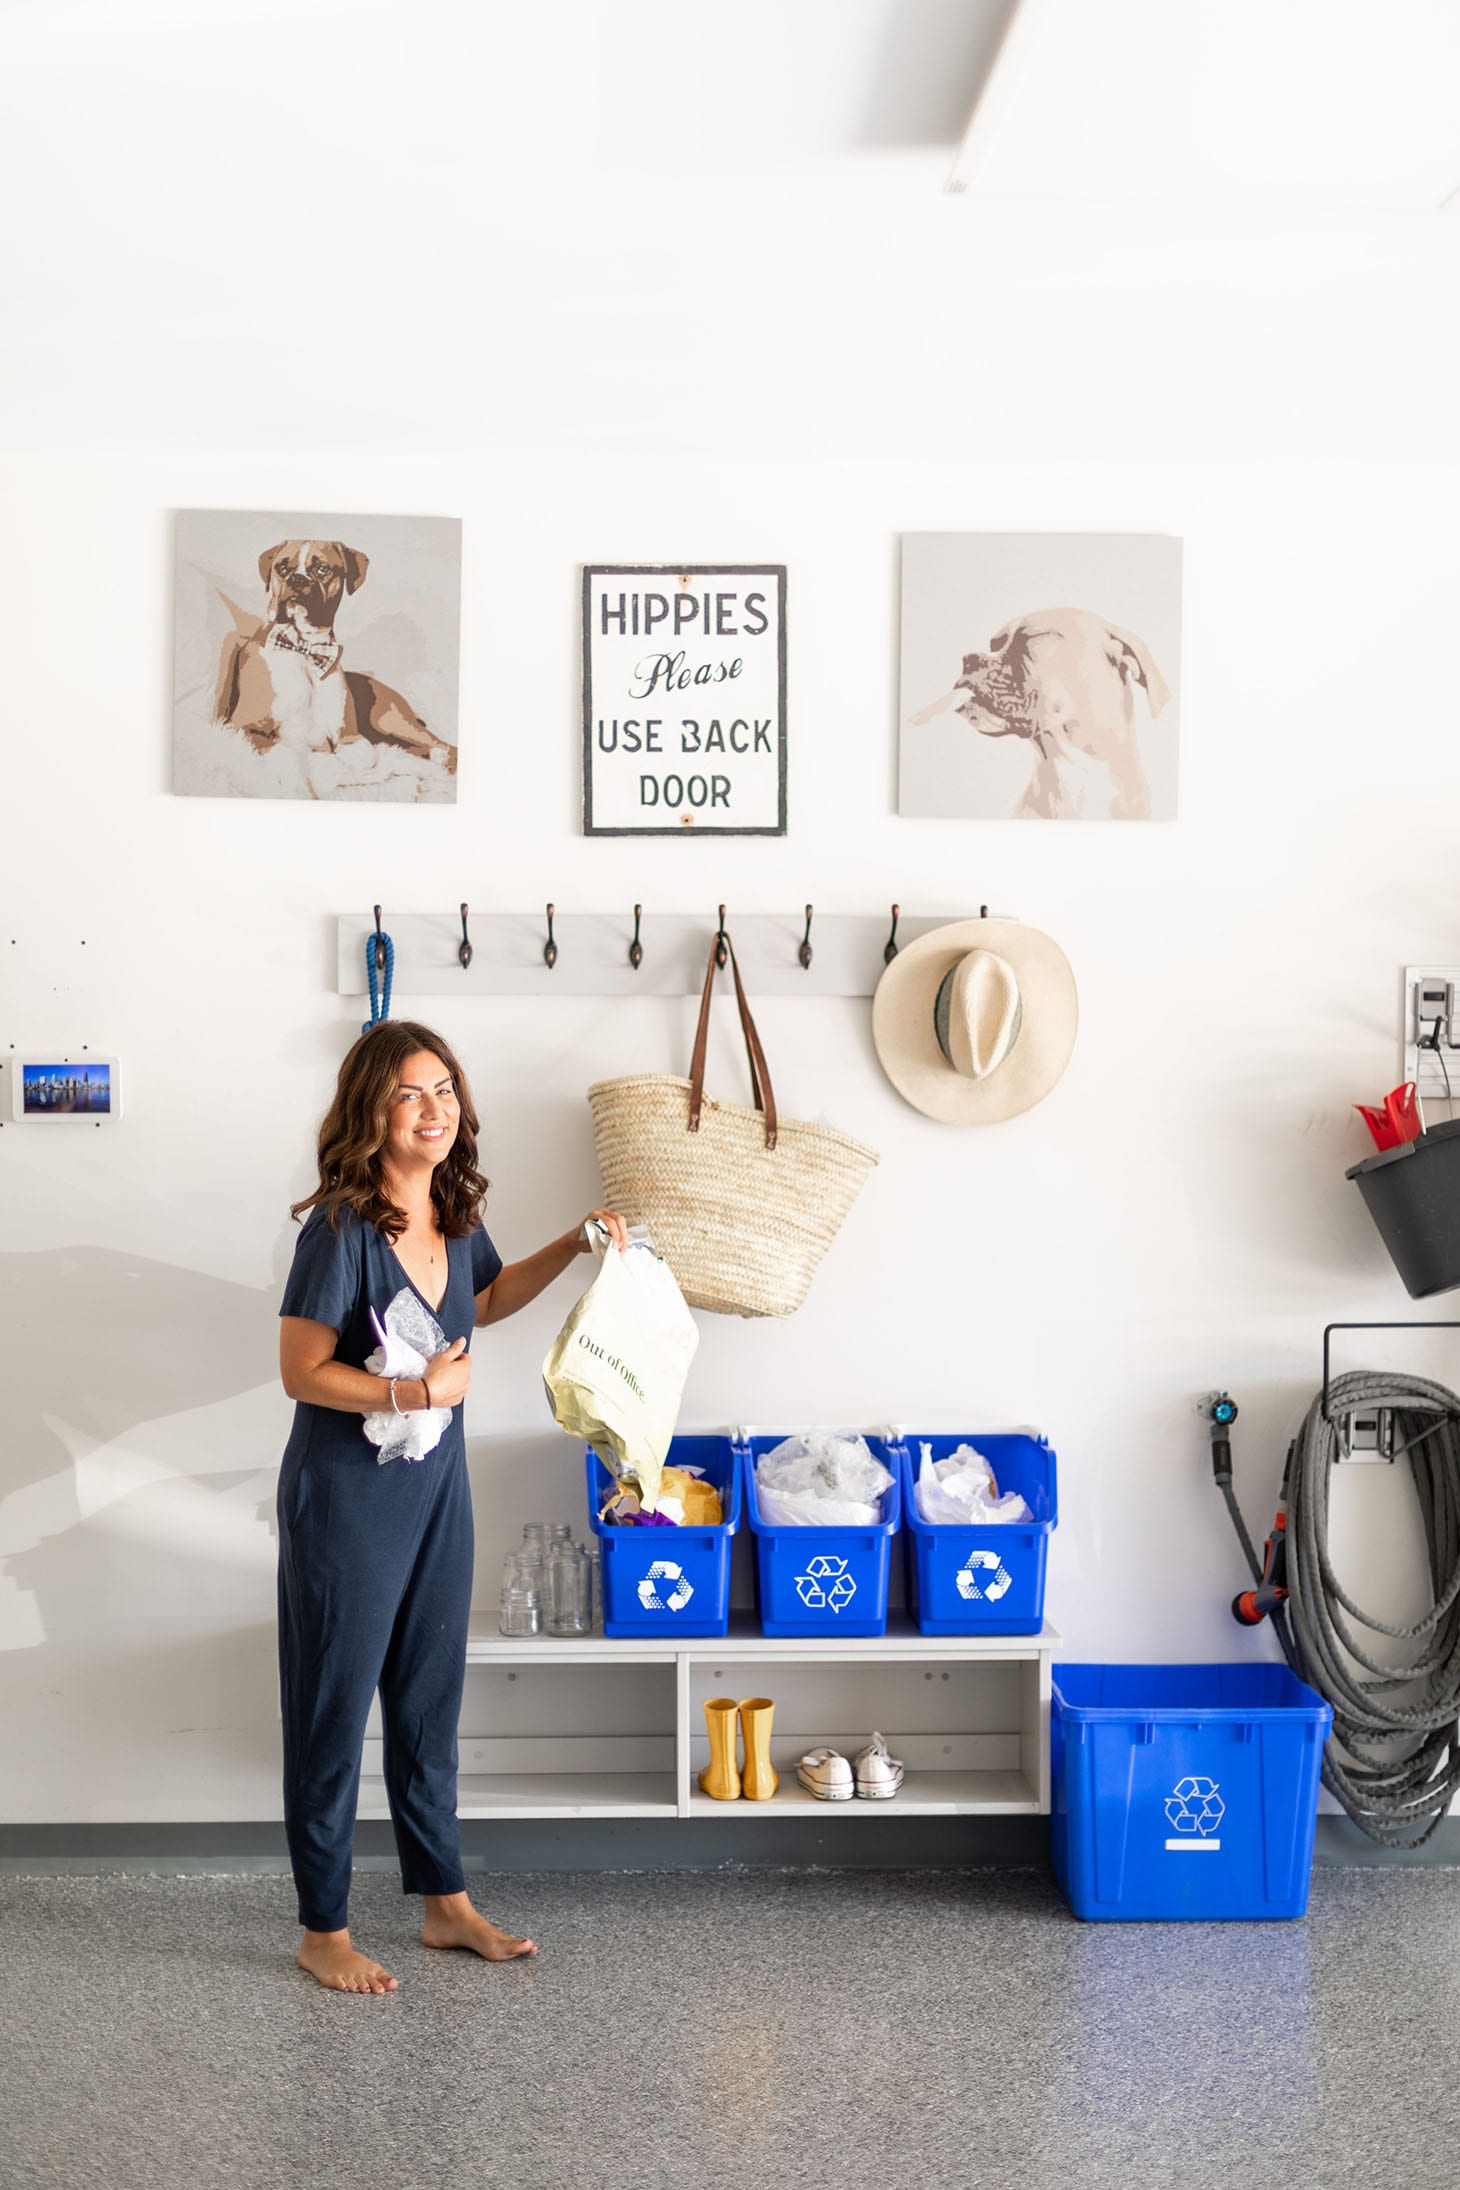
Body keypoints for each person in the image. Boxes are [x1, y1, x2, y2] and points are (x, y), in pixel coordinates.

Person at [276, 1017, 627, 1994]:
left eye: (442, 1089)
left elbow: (490, 1294)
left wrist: (572, 1242)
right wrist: (411, 1393)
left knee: (428, 1708)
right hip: (345, 1504)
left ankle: (442, 1904)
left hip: (435, 1497)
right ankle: (323, 1929)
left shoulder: (454, 1213)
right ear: (371, 1113)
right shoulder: (341, 1230)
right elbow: (300, 1372)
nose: (432, 1109)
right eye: (407, 1094)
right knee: (332, 1713)